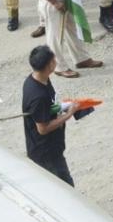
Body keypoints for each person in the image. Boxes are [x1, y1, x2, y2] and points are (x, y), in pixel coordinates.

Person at [22, 45, 78, 186]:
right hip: (46, 152)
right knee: (65, 188)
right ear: (49, 65)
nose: (56, 62)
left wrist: (63, 107)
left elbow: (48, 108)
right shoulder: (37, 95)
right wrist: (69, 114)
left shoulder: (41, 79)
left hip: (53, 147)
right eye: (54, 60)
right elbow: (43, 128)